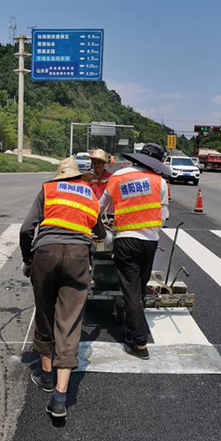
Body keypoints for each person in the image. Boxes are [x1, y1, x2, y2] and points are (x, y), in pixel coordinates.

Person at [20, 157, 106, 419]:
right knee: (69, 322)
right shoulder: (89, 194)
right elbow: (100, 233)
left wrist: (28, 260)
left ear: (59, 177)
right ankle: (60, 397)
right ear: (79, 178)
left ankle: (46, 376)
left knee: (44, 313)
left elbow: (26, 229)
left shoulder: (48, 189)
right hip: (78, 256)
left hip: (45, 254)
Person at [99, 143, 170, 360]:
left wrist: (105, 233)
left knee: (131, 292)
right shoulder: (160, 182)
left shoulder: (118, 176)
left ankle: (139, 342)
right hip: (150, 242)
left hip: (126, 240)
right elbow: (164, 216)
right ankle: (132, 335)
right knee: (138, 289)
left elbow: (99, 208)